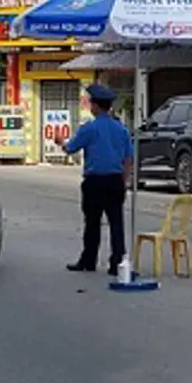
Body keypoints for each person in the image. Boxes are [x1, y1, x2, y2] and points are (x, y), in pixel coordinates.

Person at [63, 83, 133, 277]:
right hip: (115, 181)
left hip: (94, 182)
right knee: (116, 223)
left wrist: (61, 142)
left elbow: (71, 149)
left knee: (92, 223)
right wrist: (125, 182)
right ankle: (117, 263)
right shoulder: (122, 130)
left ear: (95, 105)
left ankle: (88, 261)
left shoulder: (89, 129)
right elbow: (128, 159)